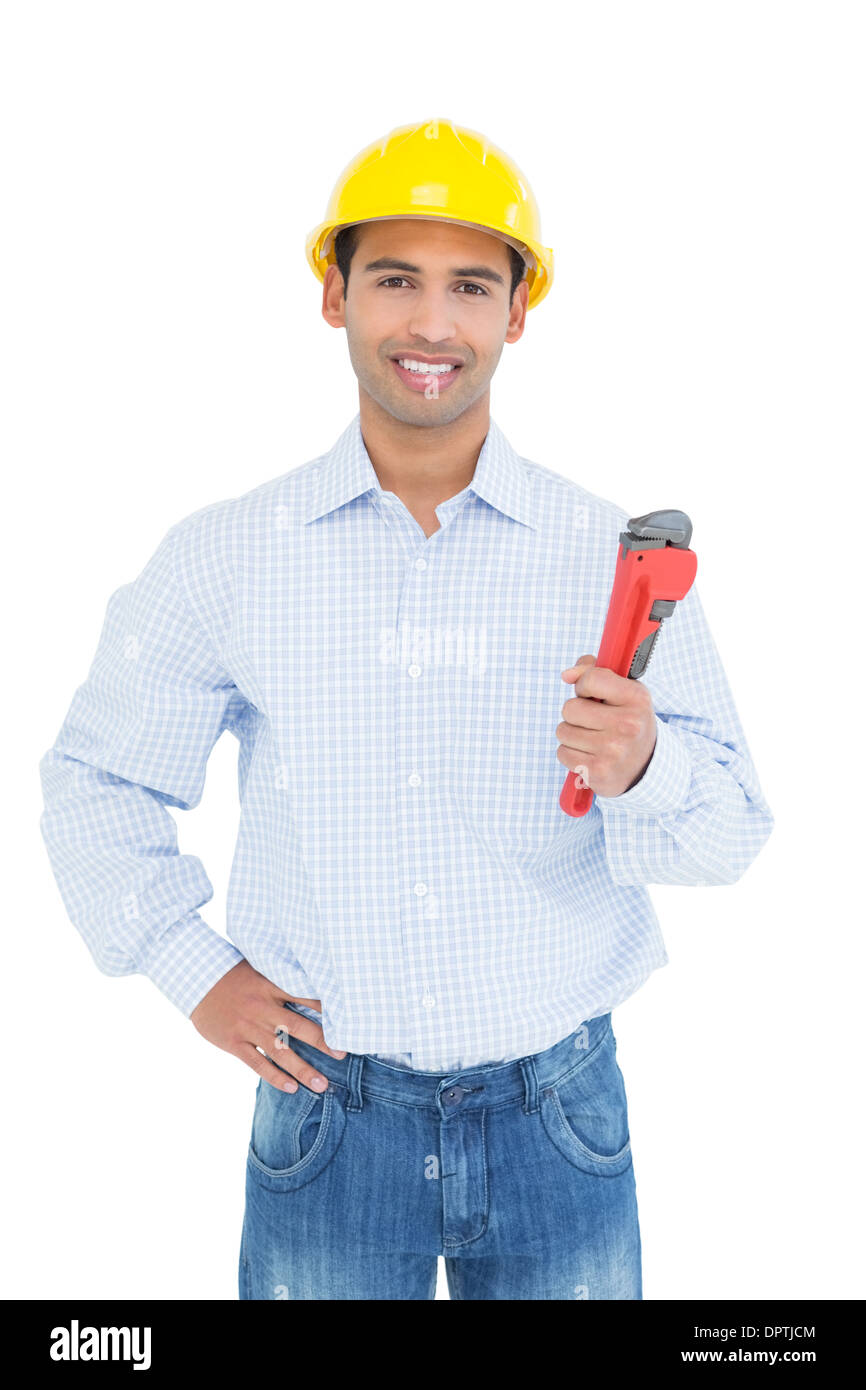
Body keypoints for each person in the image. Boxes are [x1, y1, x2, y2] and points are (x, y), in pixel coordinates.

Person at [38, 117, 774, 1301]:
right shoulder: (226, 556)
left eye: (470, 287)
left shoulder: (607, 553)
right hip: (331, 1116)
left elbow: (732, 827)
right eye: (394, 279)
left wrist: (643, 766)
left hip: (559, 1118)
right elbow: (97, 777)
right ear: (333, 295)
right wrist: (190, 966)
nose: (431, 324)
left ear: (517, 313)